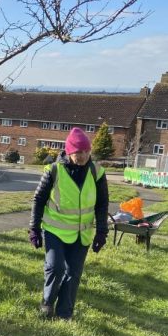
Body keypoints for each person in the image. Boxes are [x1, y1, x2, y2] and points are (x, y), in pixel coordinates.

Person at [29, 127, 109, 319]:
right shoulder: (54, 171)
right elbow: (38, 199)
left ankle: (65, 314)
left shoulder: (97, 173)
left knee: (73, 274)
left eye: (85, 152)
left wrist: (101, 232)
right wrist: (34, 228)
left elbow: (102, 203)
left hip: (82, 233)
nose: (82, 156)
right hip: (55, 230)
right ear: (69, 151)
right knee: (55, 268)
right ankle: (47, 304)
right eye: (77, 152)